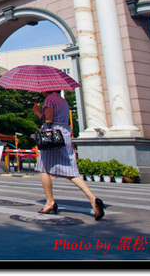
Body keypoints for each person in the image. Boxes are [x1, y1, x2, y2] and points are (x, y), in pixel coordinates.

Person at [34, 90, 105, 221]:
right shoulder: (63, 101)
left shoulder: (50, 100)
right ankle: (92, 199)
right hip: (65, 135)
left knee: (43, 168)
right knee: (70, 171)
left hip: (53, 137)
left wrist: (38, 112)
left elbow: (49, 119)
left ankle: (50, 202)